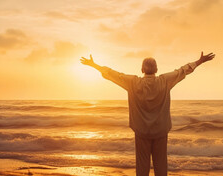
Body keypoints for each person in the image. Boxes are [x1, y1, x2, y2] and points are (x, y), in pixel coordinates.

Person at [80, 52, 215, 176]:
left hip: (141, 131)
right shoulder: (165, 81)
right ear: (156, 69)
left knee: (142, 166)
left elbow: (112, 74)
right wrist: (199, 61)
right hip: (161, 130)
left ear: (142, 70)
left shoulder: (133, 82)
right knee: (161, 165)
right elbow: (183, 70)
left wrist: (94, 65)